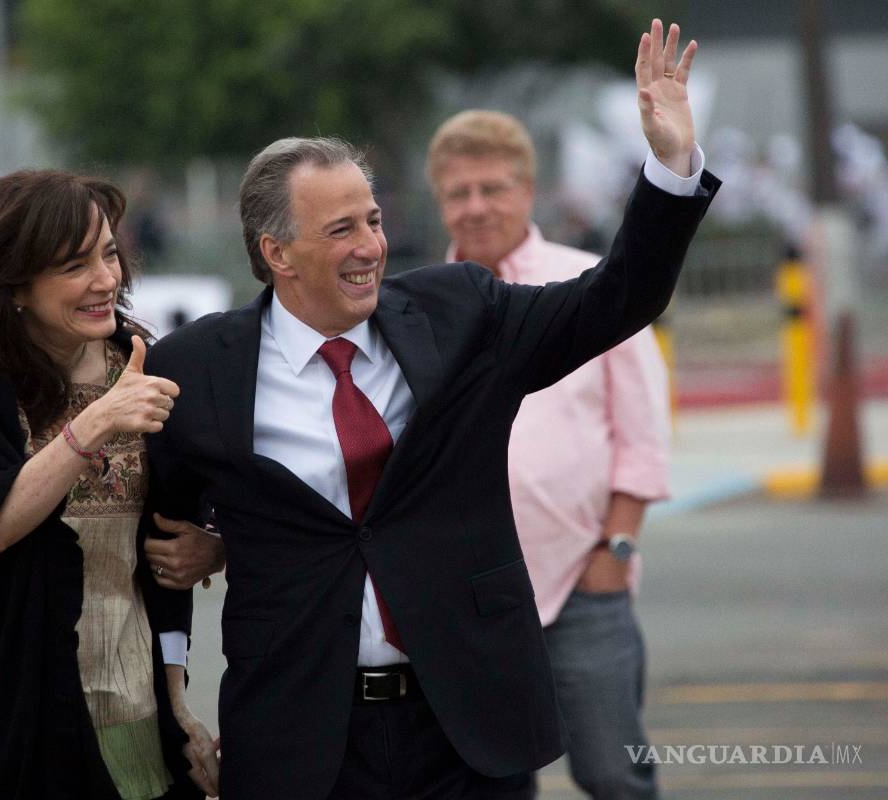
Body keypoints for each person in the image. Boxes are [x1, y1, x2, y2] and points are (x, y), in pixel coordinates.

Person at [138, 20, 715, 800]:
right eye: (340, 229)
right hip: (300, 739)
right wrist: (172, 693)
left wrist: (671, 166)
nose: (370, 246)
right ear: (277, 253)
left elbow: (618, 298)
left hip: (465, 730)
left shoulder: (459, 312)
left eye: (373, 220)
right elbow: (160, 544)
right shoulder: (197, 368)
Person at [0, 170, 223, 799]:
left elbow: (167, 550)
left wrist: (177, 698)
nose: (106, 280)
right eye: (75, 265)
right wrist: (96, 421)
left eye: (109, 254)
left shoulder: (142, 363)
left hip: (120, 699)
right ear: (15, 283)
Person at [427, 109, 670, 798]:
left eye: (493, 188)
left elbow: (643, 435)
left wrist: (615, 551)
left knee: (613, 775)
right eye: (459, 193)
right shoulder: (416, 307)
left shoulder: (592, 285)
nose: (476, 207)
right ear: (440, 201)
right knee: (490, 782)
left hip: (583, 583)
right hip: (468, 601)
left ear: (528, 191)